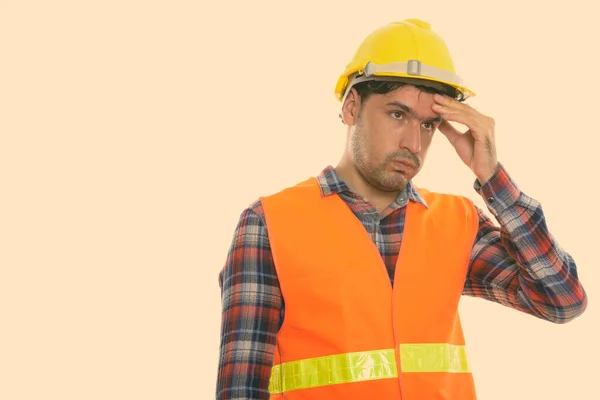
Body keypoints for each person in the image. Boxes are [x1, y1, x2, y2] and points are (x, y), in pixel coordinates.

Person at [215, 18, 588, 400]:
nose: (413, 142)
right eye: (398, 114)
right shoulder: (270, 224)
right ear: (351, 107)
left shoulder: (456, 223)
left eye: (429, 125)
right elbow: (240, 389)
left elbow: (562, 301)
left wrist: (492, 177)